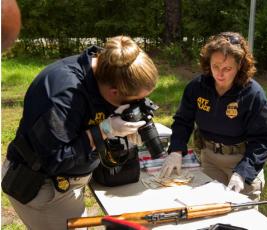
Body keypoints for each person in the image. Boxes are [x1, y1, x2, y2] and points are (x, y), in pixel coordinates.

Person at [1, 35, 159, 229]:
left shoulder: (111, 66)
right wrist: (106, 129)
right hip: (44, 187)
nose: (135, 105)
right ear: (114, 92)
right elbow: (54, 159)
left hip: (72, 179)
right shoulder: (63, 95)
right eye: (134, 101)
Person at [159, 32, 267, 202]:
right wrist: (176, 151)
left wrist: (243, 173)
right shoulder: (197, 87)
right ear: (208, 63)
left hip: (242, 160)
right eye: (215, 66)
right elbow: (183, 121)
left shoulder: (253, 94)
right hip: (209, 160)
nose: (220, 74)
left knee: (242, 219)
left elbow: (263, 140)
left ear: (239, 66)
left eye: (227, 69)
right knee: (207, 211)